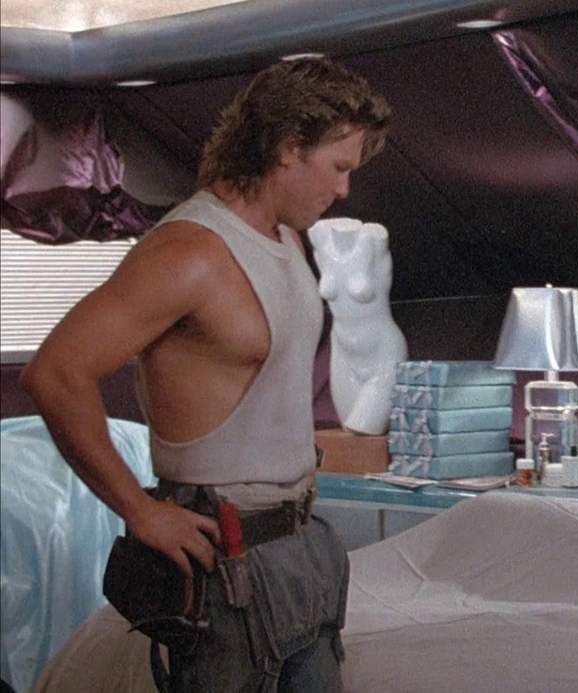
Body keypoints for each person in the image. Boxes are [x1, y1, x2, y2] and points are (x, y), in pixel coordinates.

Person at [20, 57, 391, 692]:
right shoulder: (187, 250)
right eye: (338, 166)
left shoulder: (287, 238)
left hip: (300, 544)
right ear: (288, 147)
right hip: (225, 557)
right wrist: (140, 510)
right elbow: (55, 372)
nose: (343, 189)